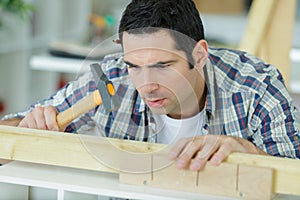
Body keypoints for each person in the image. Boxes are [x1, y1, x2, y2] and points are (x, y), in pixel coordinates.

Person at [1, 0, 299, 172]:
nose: (146, 86)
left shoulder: (255, 86)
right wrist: (26, 127)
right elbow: (7, 140)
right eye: (134, 66)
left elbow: (293, 174)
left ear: (199, 54)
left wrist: (248, 152)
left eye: (162, 66)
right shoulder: (111, 81)